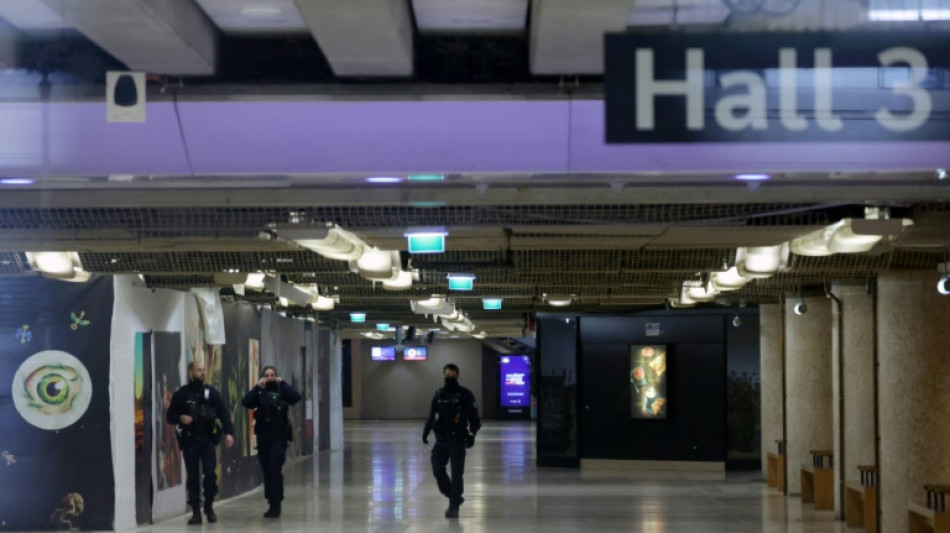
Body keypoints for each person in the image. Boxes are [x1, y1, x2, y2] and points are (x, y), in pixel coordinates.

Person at [166, 361, 235, 525]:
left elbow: (224, 413)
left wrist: (229, 433)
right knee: (193, 477)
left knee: (210, 474)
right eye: (199, 370)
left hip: (207, 440)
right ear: (191, 372)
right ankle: (196, 512)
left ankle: (209, 506)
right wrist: (180, 418)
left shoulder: (211, 393)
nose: (203, 373)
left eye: (204, 370)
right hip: (189, 441)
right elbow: (170, 416)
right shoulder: (182, 394)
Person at [422, 363, 481, 518]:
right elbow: (431, 415)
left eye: (453, 376)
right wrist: (426, 431)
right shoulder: (439, 394)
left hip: (457, 439)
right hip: (440, 440)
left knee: (456, 474)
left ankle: (453, 507)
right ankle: (453, 496)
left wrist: (472, 434)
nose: (450, 378)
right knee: (437, 470)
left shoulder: (465, 395)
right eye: (447, 376)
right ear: (443, 375)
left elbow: (474, 419)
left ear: (457, 376)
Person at [242, 365, 301, 518]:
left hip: (279, 436)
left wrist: (283, 384)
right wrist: (257, 387)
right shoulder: (260, 392)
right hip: (263, 436)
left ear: (276, 376)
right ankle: (271, 501)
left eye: (272, 375)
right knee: (267, 470)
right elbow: (246, 402)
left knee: (275, 468)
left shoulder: (281, 391)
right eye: (267, 375)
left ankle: (277, 502)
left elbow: (296, 397)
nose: (270, 378)